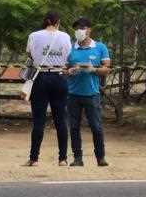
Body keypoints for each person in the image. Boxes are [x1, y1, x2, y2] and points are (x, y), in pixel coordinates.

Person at [25, 11, 73, 167]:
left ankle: (34, 159)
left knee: (38, 121)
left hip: (41, 78)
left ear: (45, 21)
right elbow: (69, 57)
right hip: (59, 78)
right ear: (57, 22)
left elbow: (29, 56)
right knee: (61, 120)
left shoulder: (34, 35)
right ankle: (63, 158)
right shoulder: (65, 36)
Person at [65, 17, 111, 167]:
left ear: (89, 29)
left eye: (82, 27)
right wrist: (69, 71)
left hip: (92, 94)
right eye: (77, 28)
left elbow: (107, 69)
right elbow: (63, 69)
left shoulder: (100, 47)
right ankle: (77, 158)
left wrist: (94, 69)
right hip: (73, 94)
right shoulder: (70, 48)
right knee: (74, 127)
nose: (79, 31)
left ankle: (100, 157)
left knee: (96, 127)